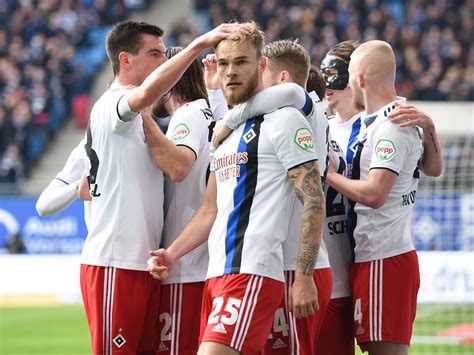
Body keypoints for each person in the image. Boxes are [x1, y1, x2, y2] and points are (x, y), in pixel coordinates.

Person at [147, 22, 325, 355]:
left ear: (261, 66)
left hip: (252, 271)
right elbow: (210, 209)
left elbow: (313, 199)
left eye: (241, 62)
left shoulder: (284, 119)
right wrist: (172, 252)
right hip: (217, 273)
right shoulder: (227, 134)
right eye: (224, 63)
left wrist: (304, 276)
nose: (230, 72)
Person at [78, 19, 240, 354]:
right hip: (116, 261)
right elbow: (148, 96)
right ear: (126, 60)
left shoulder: (141, 117)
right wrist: (199, 44)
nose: (162, 63)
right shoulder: (115, 103)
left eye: (164, 54)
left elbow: (85, 187)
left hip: (146, 262)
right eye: (154, 54)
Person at [211, 40, 332, 355]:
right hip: (280, 260)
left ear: (280, 78)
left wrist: (230, 118)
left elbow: (291, 93)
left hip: (297, 262)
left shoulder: (300, 108)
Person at [326, 40, 423, 355]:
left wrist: (327, 175)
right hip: (370, 258)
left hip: (385, 257)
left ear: (360, 78)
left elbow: (375, 194)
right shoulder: (382, 122)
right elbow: (432, 168)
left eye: (348, 74)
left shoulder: (392, 126)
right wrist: (431, 129)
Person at [140, 46, 214, 355]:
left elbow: (180, 165)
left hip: (186, 267)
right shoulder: (210, 113)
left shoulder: (188, 115)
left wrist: (140, 115)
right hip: (206, 260)